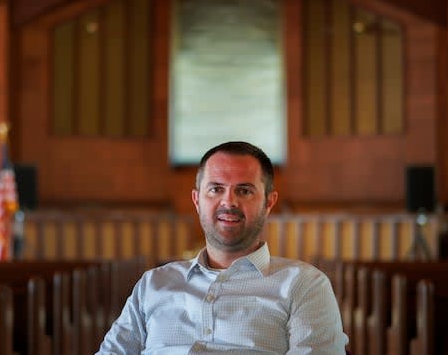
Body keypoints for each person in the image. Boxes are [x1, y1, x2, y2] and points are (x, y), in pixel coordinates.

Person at [97, 141, 349, 354]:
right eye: (216, 189)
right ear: (197, 200)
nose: (228, 202)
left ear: (269, 202)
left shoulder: (305, 285)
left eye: (245, 190)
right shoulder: (153, 284)